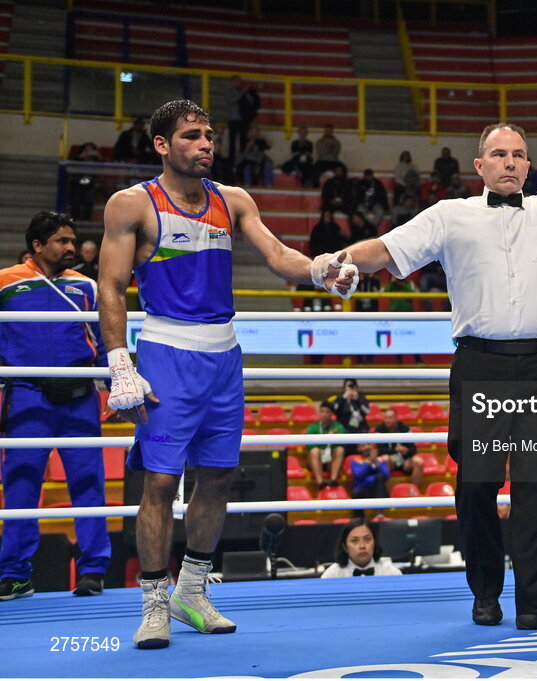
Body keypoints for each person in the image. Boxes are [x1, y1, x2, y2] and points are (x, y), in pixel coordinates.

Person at [328, 89, 537, 629]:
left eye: (518, 153)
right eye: (499, 154)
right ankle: (486, 591)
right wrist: (331, 263)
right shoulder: (450, 215)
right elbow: (385, 248)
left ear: (529, 164)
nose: (509, 162)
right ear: (479, 166)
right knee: (477, 488)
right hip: (481, 368)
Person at [97, 99, 353, 649]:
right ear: (163, 145)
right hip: (166, 353)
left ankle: (192, 589)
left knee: (215, 478)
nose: (206, 144)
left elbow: (279, 253)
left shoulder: (232, 200)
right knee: (161, 483)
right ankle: (154, 600)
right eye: (192, 135)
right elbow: (112, 287)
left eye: (209, 135)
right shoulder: (132, 206)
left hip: (224, 357)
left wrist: (319, 269)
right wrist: (119, 361)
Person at [0, 211, 111, 601]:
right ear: (38, 245)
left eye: (72, 240)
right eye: (62, 241)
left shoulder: (87, 286)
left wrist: (114, 383)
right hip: (27, 395)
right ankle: (14, 574)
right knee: (21, 486)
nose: (71, 247)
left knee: (88, 484)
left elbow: (103, 338)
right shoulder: (5, 283)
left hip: (79, 397)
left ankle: (93, 569)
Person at [321, 518, 402, 577]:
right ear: (345, 547)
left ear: (375, 542)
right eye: (355, 541)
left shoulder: (391, 573)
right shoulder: (332, 575)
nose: (362, 546)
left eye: (367, 539)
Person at [374, 407, 424, 490]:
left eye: (390, 418)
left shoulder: (404, 428)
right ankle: (386, 493)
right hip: (391, 460)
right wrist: (395, 450)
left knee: (419, 461)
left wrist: (406, 451)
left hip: (404, 459)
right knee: (384, 459)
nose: (387, 420)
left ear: (396, 418)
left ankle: (414, 491)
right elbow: (381, 450)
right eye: (385, 417)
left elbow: (413, 449)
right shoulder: (380, 429)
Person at [306, 401, 347, 489]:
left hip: (331, 459)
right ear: (319, 413)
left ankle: (333, 480)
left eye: (327, 412)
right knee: (314, 451)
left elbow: (342, 443)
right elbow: (309, 446)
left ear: (332, 414)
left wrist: (332, 439)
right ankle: (320, 482)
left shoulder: (338, 427)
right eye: (322, 411)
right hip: (316, 459)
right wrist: (326, 439)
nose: (324, 414)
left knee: (340, 449)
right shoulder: (313, 427)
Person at [223, 77, 259, 164]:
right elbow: (232, 100)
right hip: (233, 119)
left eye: (239, 82)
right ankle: (231, 160)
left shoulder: (241, 91)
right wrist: (242, 93)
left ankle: (242, 158)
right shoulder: (229, 91)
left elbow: (251, 103)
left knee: (243, 140)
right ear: (231, 82)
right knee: (233, 141)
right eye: (236, 81)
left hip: (242, 119)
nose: (238, 83)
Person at [332, 378, 371, 456]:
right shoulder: (339, 399)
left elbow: (367, 411)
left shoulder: (361, 399)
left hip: (361, 431)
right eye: (348, 386)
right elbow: (333, 410)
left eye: (352, 386)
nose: (350, 388)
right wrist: (343, 398)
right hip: (344, 431)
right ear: (343, 388)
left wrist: (357, 400)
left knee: (367, 446)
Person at [350, 443, 390, 508]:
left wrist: (376, 463)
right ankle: (359, 517)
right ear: (358, 449)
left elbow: (386, 475)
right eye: (363, 446)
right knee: (356, 492)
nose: (366, 447)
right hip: (363, 490)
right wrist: (370, 462)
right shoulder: (355, 461)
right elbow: (359, 475)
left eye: (368, 444)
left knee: (379, 478)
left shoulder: (380, 460)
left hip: (378, 491)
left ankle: (379, 514)